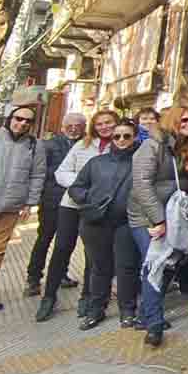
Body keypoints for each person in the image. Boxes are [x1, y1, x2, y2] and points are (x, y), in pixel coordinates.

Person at [36, 110, 118, 321]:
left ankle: (87, 296)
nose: (104, 127)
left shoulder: (119, 146)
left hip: (99, 209)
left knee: (93, 254)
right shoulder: (82, 145)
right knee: (62, 248)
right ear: (93, 126)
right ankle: (49, 296)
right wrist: (86, 186)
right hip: (72, 204)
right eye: (99, 123)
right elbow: (61, 173)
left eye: (108, 122)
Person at [130, 106, 188, 346]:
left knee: (166, 265)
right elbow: (141, 184)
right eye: (184, 119)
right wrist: (158, 219)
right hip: (148, 217)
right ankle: (154, 324)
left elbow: (179, 179)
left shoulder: (182, 148)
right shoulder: (152, 146)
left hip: (174, 217)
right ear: (172, 120)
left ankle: (145, 314)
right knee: (155, 265)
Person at [67, 119, 141, 331]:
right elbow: (76, 188)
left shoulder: (140, 163)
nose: (121, 140)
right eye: (117, 136)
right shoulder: (96, 163)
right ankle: (96, 310)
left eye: (127, 136)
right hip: (96, 223)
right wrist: (91, 198)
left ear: (134, 137)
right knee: (99, 268)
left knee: (126, 267)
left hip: (126, 223)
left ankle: (127, 311)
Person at [0, 106, 45, 312]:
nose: (22, 123)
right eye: (18, 118)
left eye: (28, 121)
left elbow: (37, 175)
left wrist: (30, 203)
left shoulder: (34, 145)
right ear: (9, 118)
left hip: (10, 208)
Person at [25, 112, 85, 298]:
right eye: (70, 125)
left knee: (66, 242)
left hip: (75, 202)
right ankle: (33, 279)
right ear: (63, 126)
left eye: (78, 125)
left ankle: (61, 274)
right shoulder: (48, 145)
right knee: (44, 239)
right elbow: (40, 172)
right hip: (52, 200)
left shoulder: (87, 145)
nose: (74, 128)